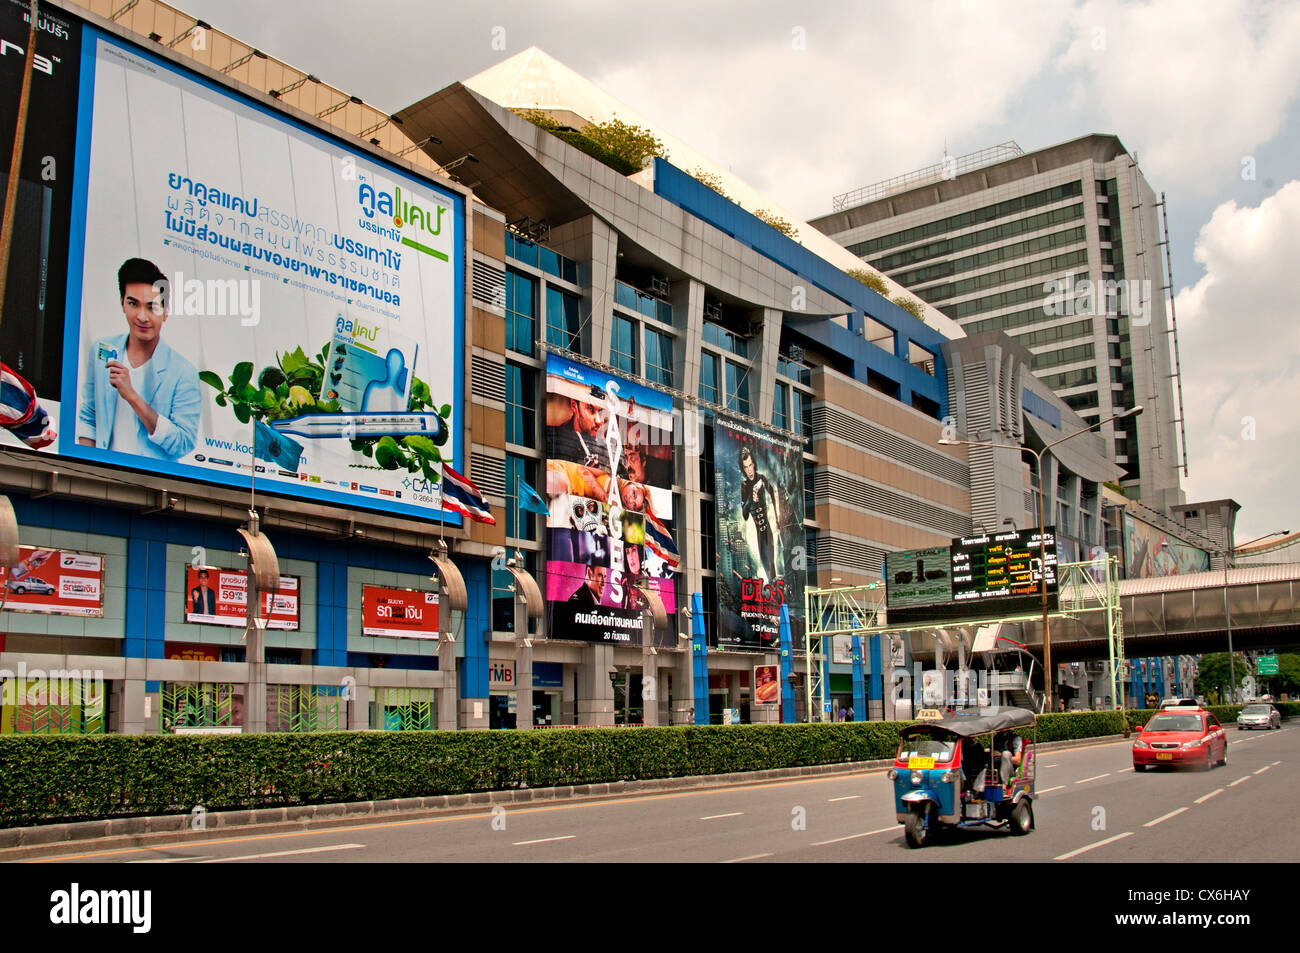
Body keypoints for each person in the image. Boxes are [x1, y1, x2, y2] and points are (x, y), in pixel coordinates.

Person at [76, 258, 201, 460]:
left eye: (152, 307)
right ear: (122, 303)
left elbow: (183, 442)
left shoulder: (183, 372)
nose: (142, 316)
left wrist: (132, 396)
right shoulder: (102, 350)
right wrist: (86, 467)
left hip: (150, 485)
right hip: (99, 479)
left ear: (166, 312)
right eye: (133, 303)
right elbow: (89, 417)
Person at [738, 447, 781, 583]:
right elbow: (744, 514)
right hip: (757, 532)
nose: (749, 470)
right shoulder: (744, 486)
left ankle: (774, 584)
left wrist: (777, 519)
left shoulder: (761, 478)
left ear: (754, 464)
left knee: (771, 561)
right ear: (743, 469)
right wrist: (751, 498)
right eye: (746, 467)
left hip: (767, 528)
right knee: (765, 560)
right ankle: (771, 583)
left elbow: (773, 492)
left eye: (750, 465)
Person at [548, 386, 611, 473]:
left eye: (601, 412)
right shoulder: (555, 440)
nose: (598, 421)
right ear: (574, 406)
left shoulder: (607, 449)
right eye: (590, 409)